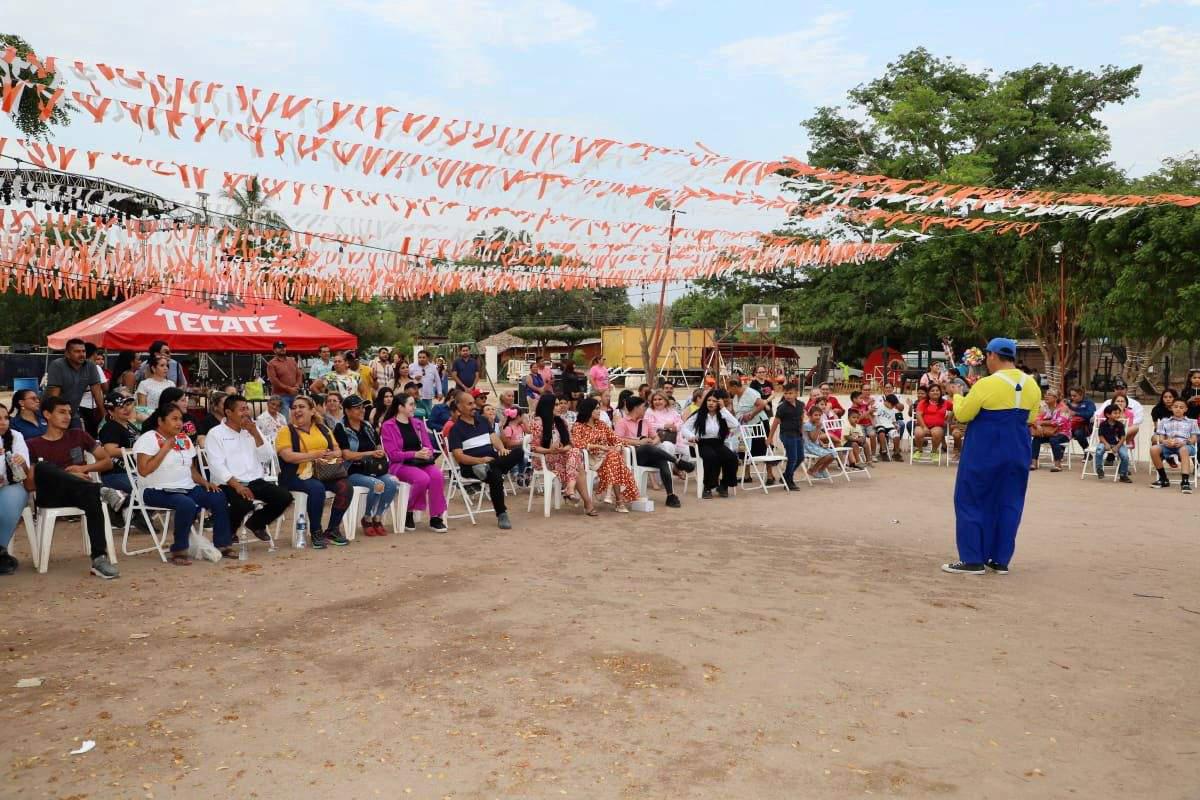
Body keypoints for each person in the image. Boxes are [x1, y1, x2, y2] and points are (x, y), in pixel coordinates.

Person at [942, 338, 1041, 576]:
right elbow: (1030, 419)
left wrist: (956, 395)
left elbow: (964, 414)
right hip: (1018, 447)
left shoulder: (986, 384)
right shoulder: (1032, 386)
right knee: (1010, 501)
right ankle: (999, 559)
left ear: (992, 355)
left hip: (985, 447)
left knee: (970, 498)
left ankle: (972, 559)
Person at [26, 396, 126, 579]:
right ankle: (101, 490)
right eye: (61, 412)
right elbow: (30, 484)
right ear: (47, 414)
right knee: (43, 467)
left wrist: (84, 468)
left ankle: (99, 559)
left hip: (79, 493)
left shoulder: (78, 435)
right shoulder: (33, 444)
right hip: (51, 496)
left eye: (69, 413)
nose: (67, 416)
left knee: (91, 497)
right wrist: (68, 474)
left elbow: (107, 462)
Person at [133, 404, 233, 564]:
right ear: (160, 421)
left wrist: (205, 482)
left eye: (180, 419)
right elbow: (143, 471)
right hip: (155, 490)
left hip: (186, 487)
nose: (179, 423)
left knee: (218, 496)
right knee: (186, 504)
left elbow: (191, 469)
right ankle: (179, 550)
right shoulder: (148, 439)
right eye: (174, 419)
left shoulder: (183, 438)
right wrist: (165, 449)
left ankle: (222, 543)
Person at [204, 395, 292, 542]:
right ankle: (229, 531)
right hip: (228, 483)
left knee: (285, 497)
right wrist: (237, 486)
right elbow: (216, 466)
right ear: (229, 413)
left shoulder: (252, 429)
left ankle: (256, 523)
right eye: (242, 409)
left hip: (255, 480)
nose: (246, 413)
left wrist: (255, 433)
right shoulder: (215, 434)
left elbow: (267, 456)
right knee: (243, 503)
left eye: (247, 409)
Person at [275, 396, 352, 549]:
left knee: (346, 487)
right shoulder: (286, 431)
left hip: (323, 472)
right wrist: (315, 454)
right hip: (295, 475)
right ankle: (316, 531)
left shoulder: (323, 428)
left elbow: (338, 450)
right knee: (317, 488)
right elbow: (287, 456)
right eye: (294, 407)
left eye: (301, 407)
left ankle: (332, 529)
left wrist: (333, 454)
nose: (297, 410)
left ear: (311, 411)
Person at [447, 390, 524, 529]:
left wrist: (502, 449)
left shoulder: (482, 420)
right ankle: (502, 514)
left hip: (490, 460)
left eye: (473, 403)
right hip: (471, 466)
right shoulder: (456, 429)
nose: (474, 406)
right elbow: (459, 456)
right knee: (495, 474)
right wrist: (480, 461)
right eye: (469, 404)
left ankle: (490, 466)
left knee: (518, 452)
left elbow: (494, 439)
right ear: (459, 407)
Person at [378, 392, 448, 532]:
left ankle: (435, 517)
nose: (414, 407)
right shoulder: (388, 426)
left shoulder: (418, 423)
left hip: (421, 462)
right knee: (422, 479)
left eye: (414, 404)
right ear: (400, 407)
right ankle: (408, 511)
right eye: (411, 404)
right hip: (400, 465)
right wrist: (414, 454)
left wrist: (426, 453)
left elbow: (428, 445)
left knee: (437, 476)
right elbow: (392, 455)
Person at [334, 395, 403, 535]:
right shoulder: (341, 428)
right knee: (377, 484)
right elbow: (346, 455)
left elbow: (377, 445)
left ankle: (377, 517)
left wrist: (379, 452)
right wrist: (371, 453)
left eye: (363, 408)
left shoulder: (367, 426)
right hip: (351, 471)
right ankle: (366, 518)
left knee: (392, 482)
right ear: (347, 411)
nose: (362, 411)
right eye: (357, 408)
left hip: (372, 468)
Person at [528, 394, 597, 514]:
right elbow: (534, 448)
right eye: (556, 405)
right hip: (543, 459)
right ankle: (584, 500)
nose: (559, 407)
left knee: (575, 453)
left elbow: (570, 443)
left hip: (562, 457)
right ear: (547, 406)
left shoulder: (561, 421)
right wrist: (550, 450)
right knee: (578, 466)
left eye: (560, 404)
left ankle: (572, 490)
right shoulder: (538, 423)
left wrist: (563, 449)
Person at [615, 396, 687, 508]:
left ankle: (671, 495)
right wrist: (639, 442)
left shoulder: (645, 422)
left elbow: (656, 437)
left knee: (663, 461)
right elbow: (618, 440)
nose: (646, 409)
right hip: (631, 456)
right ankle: (676, 461)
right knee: (645, 447)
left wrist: (653, 442)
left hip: (647, 454)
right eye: (644, 407)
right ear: (636, 408)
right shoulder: (622, 422)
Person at [571, 398, 640, 513]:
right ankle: (618, 500)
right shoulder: (578, 426)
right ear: (588, 410)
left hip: (606, 457)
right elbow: (578, 443)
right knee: (615, 458)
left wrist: (618, 445)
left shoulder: (601, 425)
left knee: (613, 455)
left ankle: (611, 494)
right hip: (590, 458)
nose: (599, 411)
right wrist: (599, 447)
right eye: (597, 409)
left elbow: (615, 438)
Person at [681, 390, 742, 499]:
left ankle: (723, 486)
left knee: (732, 458)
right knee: (711, 457)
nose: (711, 403)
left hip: (718, 443)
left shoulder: (722, 414)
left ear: (719, 402)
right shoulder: (699, 414)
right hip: (702, 443)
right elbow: (684, 428)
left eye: (714, 401)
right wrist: (691, 436)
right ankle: (708, 487)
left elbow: (735, 424)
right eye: (709, 400)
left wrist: (723, 409)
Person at [0, 403, 32, 575]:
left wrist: (22, 463)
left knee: (11, 499)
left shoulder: (15, 436)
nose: (3, 422)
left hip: (11, 486)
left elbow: (26, 475)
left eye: (6, 418)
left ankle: (1, 549)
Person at [45, 337, 104, 429]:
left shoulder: (90, 366)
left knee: (77, 438)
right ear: (67, 354)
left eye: (83, 351)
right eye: (77, 351)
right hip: (51, 412)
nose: (82, 354)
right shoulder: (57, 365)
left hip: (72, 412)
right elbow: (54, 397)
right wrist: (54, 418)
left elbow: (97, 394)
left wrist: (105, 416)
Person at [727, 378, 776, 484]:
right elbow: (736, 412)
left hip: (758, 423)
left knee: (764, 447)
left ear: (735, 386)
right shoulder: (735, 397)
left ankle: (770, 475)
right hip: (744, 427)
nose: (728, 391)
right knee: (744, 448)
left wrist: (751, 414)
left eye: (729, 388)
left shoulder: (751, 392)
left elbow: (762, 404)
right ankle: (747, 475)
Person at [1149, 399, 1196, 493]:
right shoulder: (1164, 421)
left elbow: (1194, 439)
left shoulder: (1191, 422)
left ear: (1186, 409)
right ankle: (1163, 479)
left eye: (1181, 407)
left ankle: (1185, 482)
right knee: (1154, 449)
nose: (1178, 409)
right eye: (1176, 407)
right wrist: (1166, 441)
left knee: (1183, 450)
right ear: (1171, 408)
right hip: (1168, 445)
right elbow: (1161, 438)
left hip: (1185, 446)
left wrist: (1185, 442)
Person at [96, 391, 138, 496]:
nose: (126, 409)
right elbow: (110, 451)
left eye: (126, 405)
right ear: (111, 411)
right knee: (147, 489)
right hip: (116, 474)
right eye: (120, 407)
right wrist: (137, 450)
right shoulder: (110, 427)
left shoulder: (129, 425)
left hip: (132, 472)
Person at [768, 383, 805, 490]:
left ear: (796, 393)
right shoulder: (782, 407)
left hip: (797, 434)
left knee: (800, 457)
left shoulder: (800, 404)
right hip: (787, 435)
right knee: (792, 458)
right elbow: (775, 423)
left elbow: (801, 418)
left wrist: (802, 433)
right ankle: (789, 481)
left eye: (790, 393)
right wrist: (770, 437)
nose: (788, 396)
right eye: (786, 393)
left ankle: (786, 475)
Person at [1030, 389, 1071, 472]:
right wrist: (1038, 425)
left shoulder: (1064, 408)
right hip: (1047, 432)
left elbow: (1058, 422)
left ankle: (1058, 465)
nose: (1046, 396)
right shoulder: (1044, 408)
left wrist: (1042, 423)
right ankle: (1033, 463)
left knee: (1054, 439)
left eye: (1049, 394)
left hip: (1063, 433)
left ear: (1056, 398)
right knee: (1036, 439)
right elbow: (1036, 419)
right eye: (1046, 394)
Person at [1094, 403, 1132, 482]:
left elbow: (1122, 437)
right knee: (1099, 450)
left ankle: (1123, 474)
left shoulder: (1120, 425)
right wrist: (1106, 444)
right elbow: (1101, 436)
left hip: (1118, 444)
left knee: (1125, 456)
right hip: (1105, 443)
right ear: (1108, 415)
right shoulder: (1103, 424)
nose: (1118, 415)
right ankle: (1099, 469)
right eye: (1115, 413)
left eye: (1118, 413)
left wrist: (1117, 446)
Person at [913, 384, 950, 459]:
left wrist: (949, 418)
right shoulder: (923, 402)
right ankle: (919, 450)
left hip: (937, 426)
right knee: (918, 433)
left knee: (937, 433)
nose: (935, 392)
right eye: (932, 391)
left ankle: (934, 451)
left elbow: (956, 408)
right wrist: (924, 427)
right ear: (928, 393)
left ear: (940, 392)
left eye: (937, 390)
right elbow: (918, 415)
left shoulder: (945, 402)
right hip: (922, 425)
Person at [266, 340, 301, 411]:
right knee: (284, 419)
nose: (282, 349)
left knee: (299, 416)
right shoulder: (272, 364)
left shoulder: (292, 360)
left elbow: (299, 374)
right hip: (280, 396)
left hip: (294, 394)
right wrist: (289, 389)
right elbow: (274, 381)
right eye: (279, 347)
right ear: (274, 350)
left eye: (284, 347)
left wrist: (297, 386)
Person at [409, 350, 442, 416]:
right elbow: (407, 377)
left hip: (428, 396)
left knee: (428, 414)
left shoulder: (433, 367)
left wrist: (440, 392)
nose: (421, 359)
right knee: (415, 414)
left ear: (428, 358)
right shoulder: (412, 366)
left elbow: (438, 380)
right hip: (415, 396)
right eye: (420, 357)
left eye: (423, 357)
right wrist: (414, 377)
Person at [1065, 386, 1096, 454]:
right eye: (1071, 395)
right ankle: (1059, 454)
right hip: (1070, 425)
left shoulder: (1088, 403)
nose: (1072, 397)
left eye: (1074, 396)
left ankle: (1087, 453)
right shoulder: (1068, 403)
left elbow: (1090, 414)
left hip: (1085, 426)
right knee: (1061, 432)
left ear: (1081, 395)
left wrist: (1076, 413)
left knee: (1078, 433)